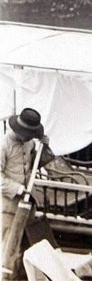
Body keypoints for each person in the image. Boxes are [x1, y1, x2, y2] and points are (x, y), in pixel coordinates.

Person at [1, 108, 53, 264]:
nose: (30, 137)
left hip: (28, 201)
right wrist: (17, 189)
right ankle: (6, 278)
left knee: (25, 240)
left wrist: (45, 147)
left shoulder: (29, 142)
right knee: (8, 244)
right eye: (28, 133)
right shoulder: (3, 145)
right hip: (9, 204)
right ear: (18, 129)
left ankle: (21, 274)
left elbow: (35, 164)